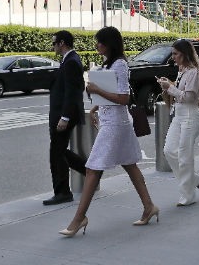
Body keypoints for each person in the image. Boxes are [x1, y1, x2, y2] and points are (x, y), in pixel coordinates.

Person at [59, 26, 158, 237]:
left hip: (115, 125)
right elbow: (114, 95)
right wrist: (96, 106)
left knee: (92, 169)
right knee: (130, 165)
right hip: (112, 122)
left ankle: (79, 219)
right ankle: (149, 207)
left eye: (99, 42)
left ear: (108, 44)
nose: (96, 45)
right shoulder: (109, 63)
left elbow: (123, 99)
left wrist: (96, 90)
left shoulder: (120, 64)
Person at [43, 31, 87, 206]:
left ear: (62, 43)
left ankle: (62, 192)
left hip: (64, 115)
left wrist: (65, 117)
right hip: (62, 114)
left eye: (54, 43)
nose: (52, 46)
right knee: (58, 152)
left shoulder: (71, 62)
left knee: (56, 153)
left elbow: (72, 92)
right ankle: (90, 170)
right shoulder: (68, 60)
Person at [158, 39, 199, 206]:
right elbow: (180, 92)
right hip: (178, 115)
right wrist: (168, 84)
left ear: (184, 54)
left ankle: (188, 195)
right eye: (173, 53)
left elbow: (190, 97)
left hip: (190, 117)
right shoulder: (182, 70)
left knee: (184, 157)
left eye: (176, 54)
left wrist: (169, 88)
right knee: (169, 150)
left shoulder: (193, 72)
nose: (173, 57)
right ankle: (193, 178)